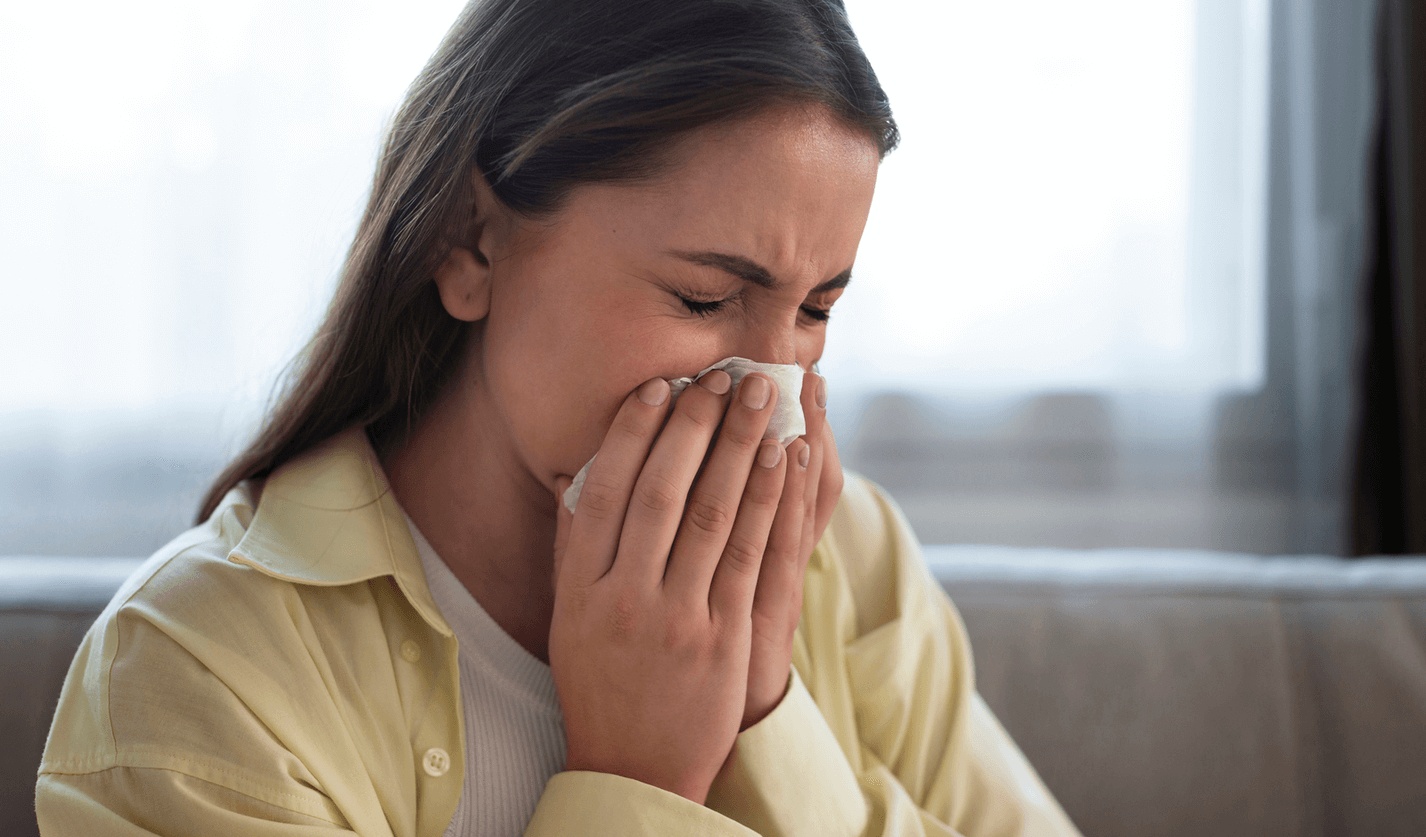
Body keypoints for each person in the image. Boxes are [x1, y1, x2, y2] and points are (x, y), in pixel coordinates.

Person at [36, 0, 1082, 834]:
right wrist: (641, 782)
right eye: (706, 300)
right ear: (470, 241)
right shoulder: (195, 677)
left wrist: (768, 720)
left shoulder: (852, 565)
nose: (769, 393)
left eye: (815, 311)